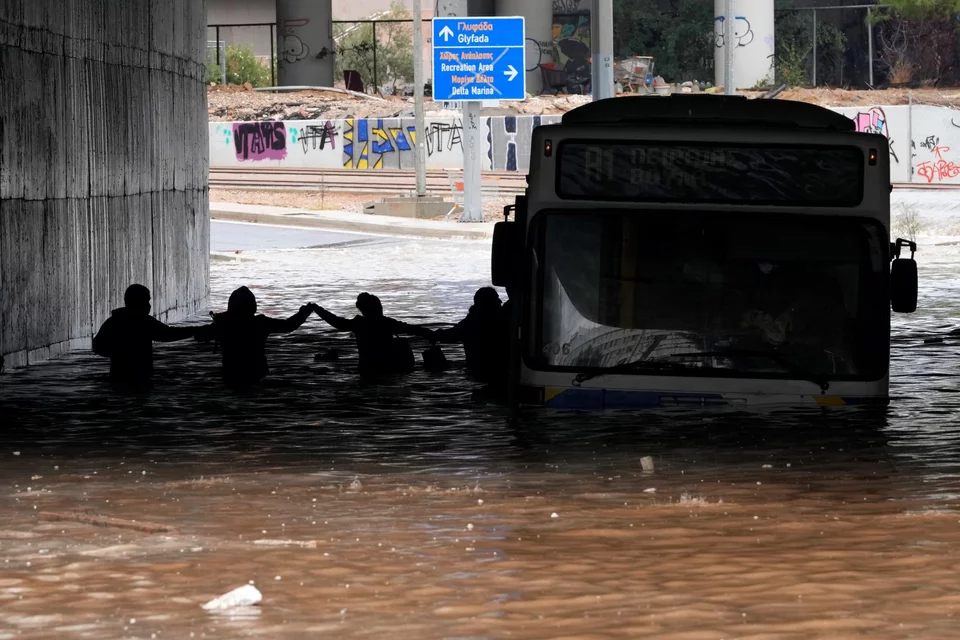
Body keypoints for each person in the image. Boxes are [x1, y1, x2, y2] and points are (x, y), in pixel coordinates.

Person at [195, 286, 315, 385]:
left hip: (231, 377)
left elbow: (199, 336)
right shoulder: (261, 323)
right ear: (253, 307)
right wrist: (304, 313)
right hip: (258, 376)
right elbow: (288, 326)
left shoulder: (223, 323)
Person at [92, 284, 197, 383]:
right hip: (141, 376)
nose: (148, 305)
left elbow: (97, 346)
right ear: (139, 302)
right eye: (147, 301)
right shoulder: (143, 322)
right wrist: (197, 331)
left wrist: (117, 351)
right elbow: (168, 334)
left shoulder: (113, 321)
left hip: (118, 376)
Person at [313, 293, 434, 376]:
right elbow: (412, 329)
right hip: (390, 368)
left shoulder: (359, 324)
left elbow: (337, 322)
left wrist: (317, 309)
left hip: (367, 368)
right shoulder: (387, 322)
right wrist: (432, 335)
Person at [434, 287, 504, 383]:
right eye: (496, 298)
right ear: (488, 303)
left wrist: (437, 334)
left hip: (476, 372)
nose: (500, 301)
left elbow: (450, 335)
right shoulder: (501, 320)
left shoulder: (471, 322)